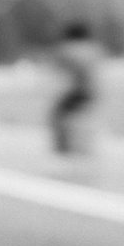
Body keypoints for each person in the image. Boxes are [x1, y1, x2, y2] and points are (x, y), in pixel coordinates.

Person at [50, 21, 101, 154]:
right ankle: (74, 148)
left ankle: (64, 150)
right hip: (90, 93)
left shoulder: (70, 50)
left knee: (59, 118)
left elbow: (57, 68)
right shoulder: (93, 49)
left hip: (77, 93)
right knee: (73, 120)